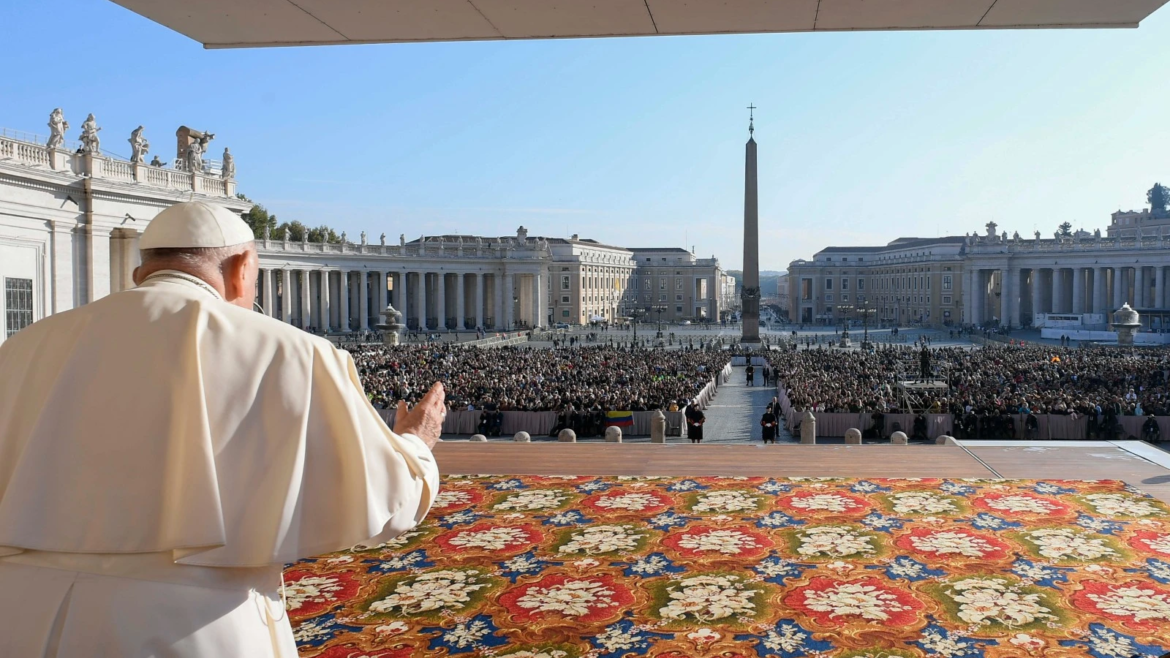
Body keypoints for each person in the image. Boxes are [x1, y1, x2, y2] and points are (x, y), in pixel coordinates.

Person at [0, 202, 442, 657]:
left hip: (18, 619)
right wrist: (417, 442)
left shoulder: (20, 349)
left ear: (140, 274)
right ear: (240, 268)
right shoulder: (295, 351)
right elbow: (385, 502)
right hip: (192, 627)